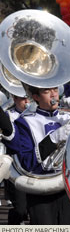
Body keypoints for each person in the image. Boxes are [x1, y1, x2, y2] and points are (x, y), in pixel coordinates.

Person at [1, 86, 70, 225]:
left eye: (55, 90)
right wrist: (53, 139)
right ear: (36, 97)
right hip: (41, 191)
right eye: (46, 91)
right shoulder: (25, 122)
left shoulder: (68, 117)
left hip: (68, 189)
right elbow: (27, 162)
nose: (53, 95)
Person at [2, 94, 30, 224]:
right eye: (23, 98)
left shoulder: (36, 115)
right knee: (20, 209)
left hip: (33, 167)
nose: (27, 101)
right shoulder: (9, 115)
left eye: (28, 98)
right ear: (15, 99)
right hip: (16, 167)